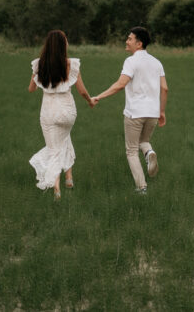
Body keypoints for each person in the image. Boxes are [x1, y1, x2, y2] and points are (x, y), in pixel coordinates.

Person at [92, 26, 168, 194]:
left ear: (139, 43)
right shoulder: (157, 62)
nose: (126, 41)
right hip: (152, 113)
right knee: (143, 141)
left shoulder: (131, 61)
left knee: (132, 151)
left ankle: (142, 188)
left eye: (129, 39)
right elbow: (165, 89)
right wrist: (161, 112)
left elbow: (120, 84)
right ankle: (149, 152)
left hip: (135, 113)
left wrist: (99, 96)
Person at [28, 30, 93, 200]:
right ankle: (69, 177)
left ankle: (56, 187)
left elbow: (31, 89)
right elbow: (82, 91)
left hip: (48, 111)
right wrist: (90, 101)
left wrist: (41, 81)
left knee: (53, 148)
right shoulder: (71, 64)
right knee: (64, 138)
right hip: (67, 111)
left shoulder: (39, 64)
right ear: (63, 44)